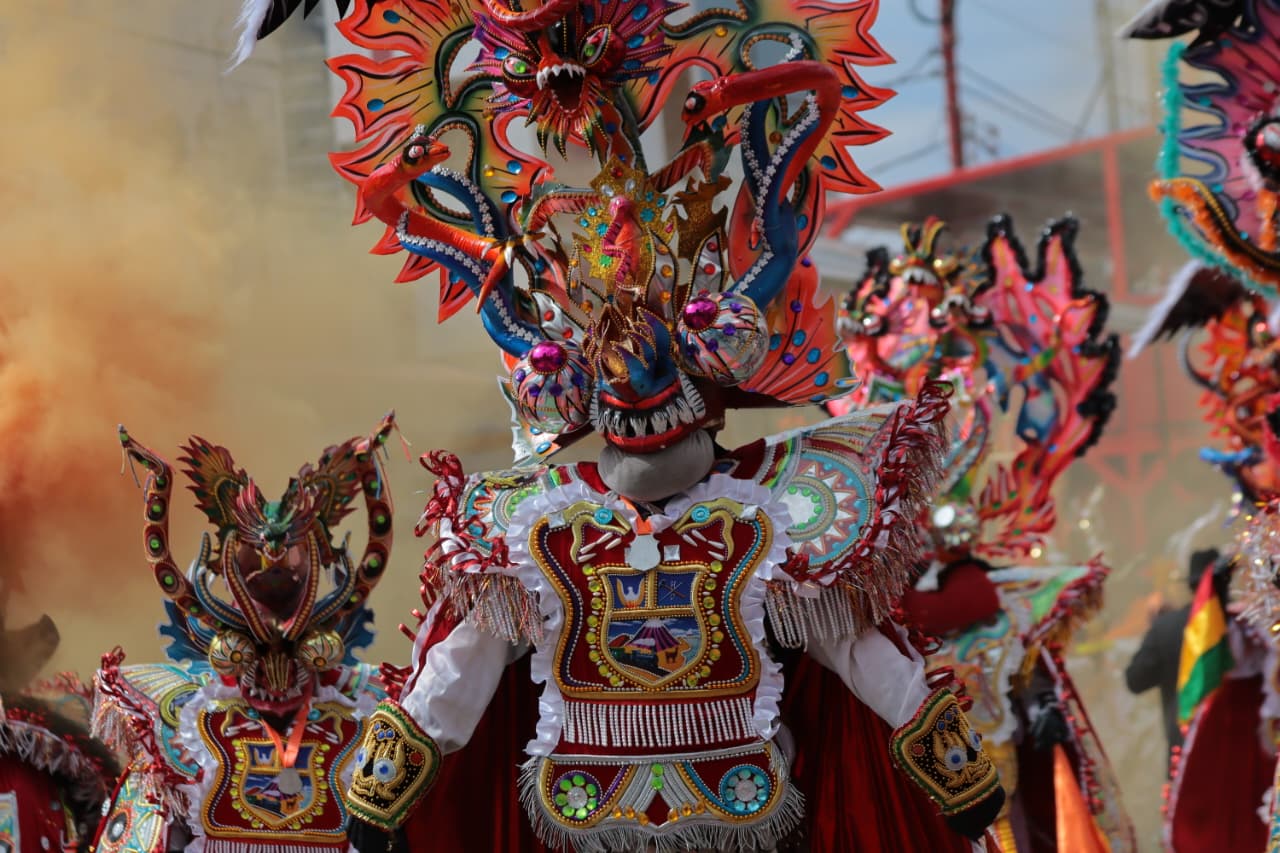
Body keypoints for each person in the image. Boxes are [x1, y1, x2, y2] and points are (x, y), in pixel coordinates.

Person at [91, 417, 396, 853]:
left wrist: (367, 470)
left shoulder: (367, 704)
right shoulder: (177, 713)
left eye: (293, 551)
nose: (276, 561)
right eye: (257, 551)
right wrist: (159, 484)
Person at [1125, 548, 1222, 761]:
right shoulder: (1244, 622)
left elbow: (1135, 680)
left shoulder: (1167, 628)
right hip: (1243, 753)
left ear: (1190, 586)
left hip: (1188, 752)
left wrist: (1156, 630)